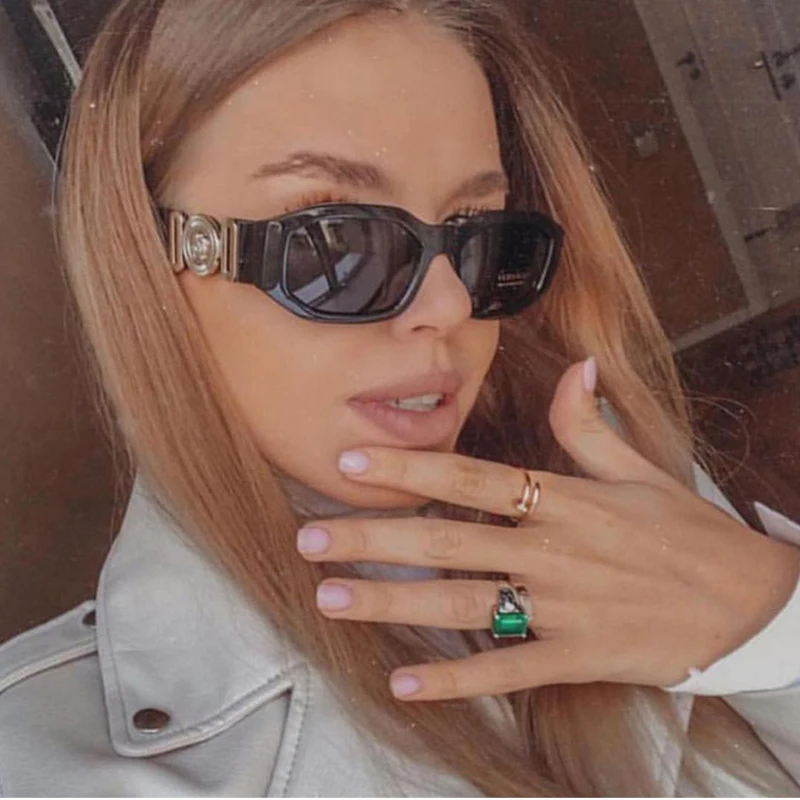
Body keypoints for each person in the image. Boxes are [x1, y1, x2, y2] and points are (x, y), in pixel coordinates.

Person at [1, 0, 800, 795]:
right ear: (147, 258)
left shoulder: (616, 501)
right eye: (334, 242)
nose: (449, 304)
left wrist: (774, 627)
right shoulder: (44, 762)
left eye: (478, 231)